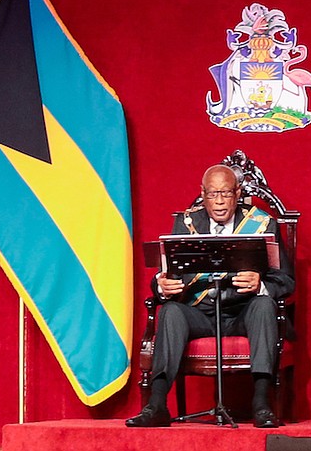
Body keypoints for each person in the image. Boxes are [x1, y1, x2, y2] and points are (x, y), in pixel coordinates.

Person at [125, 164, 295, 428]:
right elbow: (166, 274)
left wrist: (260, 283)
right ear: (202, 194)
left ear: (238, 194)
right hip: (200, 313)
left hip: (243, 312)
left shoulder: (262, 223)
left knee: (264, 305)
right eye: (212, 194)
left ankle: (262, 405)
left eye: (226, 194)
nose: (218, 201)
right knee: (170, 311)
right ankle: (156, 405)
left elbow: (285, 280)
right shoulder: (186, 223)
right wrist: (161, 286)